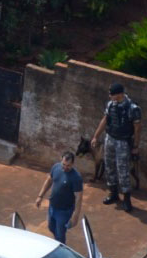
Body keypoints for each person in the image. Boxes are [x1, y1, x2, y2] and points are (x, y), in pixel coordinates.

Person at [91, 82, 141, 212]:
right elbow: (105, 120)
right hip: (110, 138)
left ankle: (127, 199)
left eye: (112, 94)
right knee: (109, 166)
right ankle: (113, 193)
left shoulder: (132, 108)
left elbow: (137, 129)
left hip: (123, 142)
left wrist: (135, 146)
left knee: (123, 170)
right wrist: (96, 136)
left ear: (119, 94)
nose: (110, 96)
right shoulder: (110, 105)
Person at [34, 150, 84, 244]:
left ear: (72, 164)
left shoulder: (76, 178)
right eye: (63, 164)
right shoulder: (56, 167)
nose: (65, 167)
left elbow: (79, 197)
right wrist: (40, 196)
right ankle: (57, 242)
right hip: (52, 207)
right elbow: (49, 180)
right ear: (61, 160)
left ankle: (61, 248)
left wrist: (75, 216)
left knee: (60, 234)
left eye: (68, 165)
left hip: (64, 211)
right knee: (51, 227)